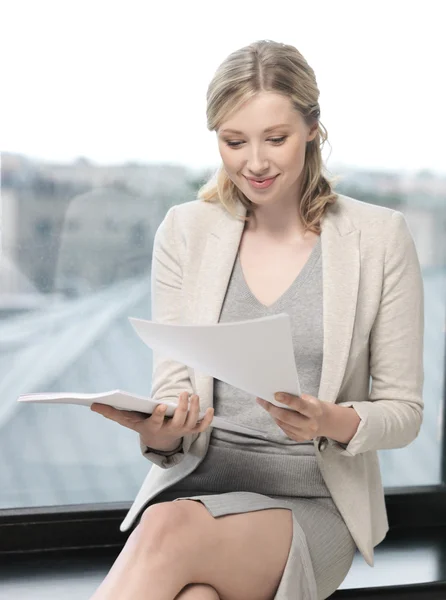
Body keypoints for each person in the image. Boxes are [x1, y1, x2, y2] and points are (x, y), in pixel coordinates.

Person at [89, 39, 424, 600]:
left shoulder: (378, 238)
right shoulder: (185, 231)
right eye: (233, 141)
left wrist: (328, 420)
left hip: (313, 503)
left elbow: (404, 413)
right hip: (199, 486)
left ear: (313, 128)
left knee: (167, 528)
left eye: (276, 138)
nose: (256, 162)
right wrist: (161, 431)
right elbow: (174, 388)